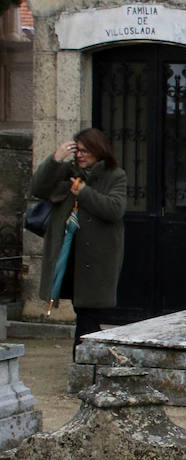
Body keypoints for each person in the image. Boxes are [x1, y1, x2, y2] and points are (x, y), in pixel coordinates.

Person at [29, 128, 127, 357]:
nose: (80, 155)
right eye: (77, 150)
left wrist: (83, 192)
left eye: (85, 150)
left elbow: (114, 209)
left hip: (97, 257)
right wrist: (55, 159)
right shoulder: (67, 171)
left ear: (98, 150)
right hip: (69, 252)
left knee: (89, 312)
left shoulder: (115, 175)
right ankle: (88, 359)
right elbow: (38, 189)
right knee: (83, 310)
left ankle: (84, 361)